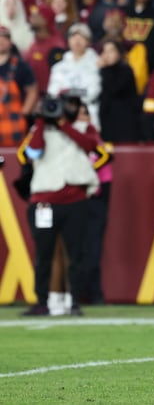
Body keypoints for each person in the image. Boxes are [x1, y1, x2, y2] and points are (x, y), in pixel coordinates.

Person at [17, 92, 101, 316]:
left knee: (76, 254)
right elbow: (33, 152)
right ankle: (41, 301)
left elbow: (90, 146)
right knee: (43, 254)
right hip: (44, 201)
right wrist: (42, 121)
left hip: (75, 200)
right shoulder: (39, 130)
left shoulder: (84, 128)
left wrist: (64, 124)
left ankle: (74, 301)